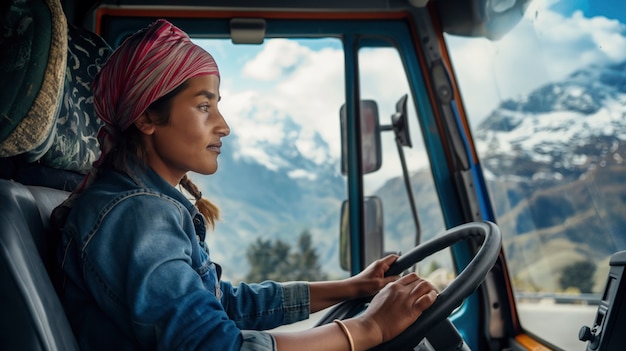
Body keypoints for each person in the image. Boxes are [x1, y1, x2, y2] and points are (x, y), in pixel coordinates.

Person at [52, 19, 438, 351]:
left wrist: (351, 288)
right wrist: (368, 328)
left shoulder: (143, 203)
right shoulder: (136, 214)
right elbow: (216, 345)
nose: (224, 125)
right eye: (204, 107)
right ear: (147, 115)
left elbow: (225, 305)